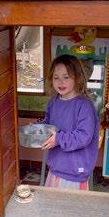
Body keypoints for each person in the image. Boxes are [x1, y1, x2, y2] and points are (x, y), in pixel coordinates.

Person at [41, 54, 99, 190]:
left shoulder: (84, 105)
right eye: (56, 78)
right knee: (53, 202)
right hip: (56, 167)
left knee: (70, 204)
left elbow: (84, 136)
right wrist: (38, 128)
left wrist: (58, 139)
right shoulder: (54, 102)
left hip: (74, 172)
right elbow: (48, 124)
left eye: (66, 77)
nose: (60, 82)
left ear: (77, 78)